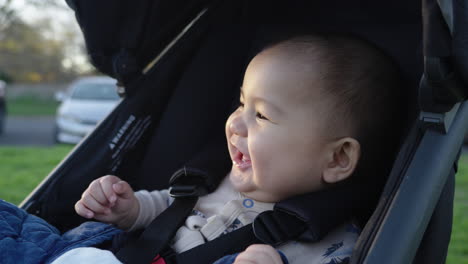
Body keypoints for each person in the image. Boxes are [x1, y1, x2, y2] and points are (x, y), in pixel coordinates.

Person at [0, 33, 404, 264]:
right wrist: (130, 210)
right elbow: (168, 207)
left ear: (337, 158)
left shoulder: (332, 242)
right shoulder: (216, 177)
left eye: (261, 116)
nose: (235, 123)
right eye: (240, 104)